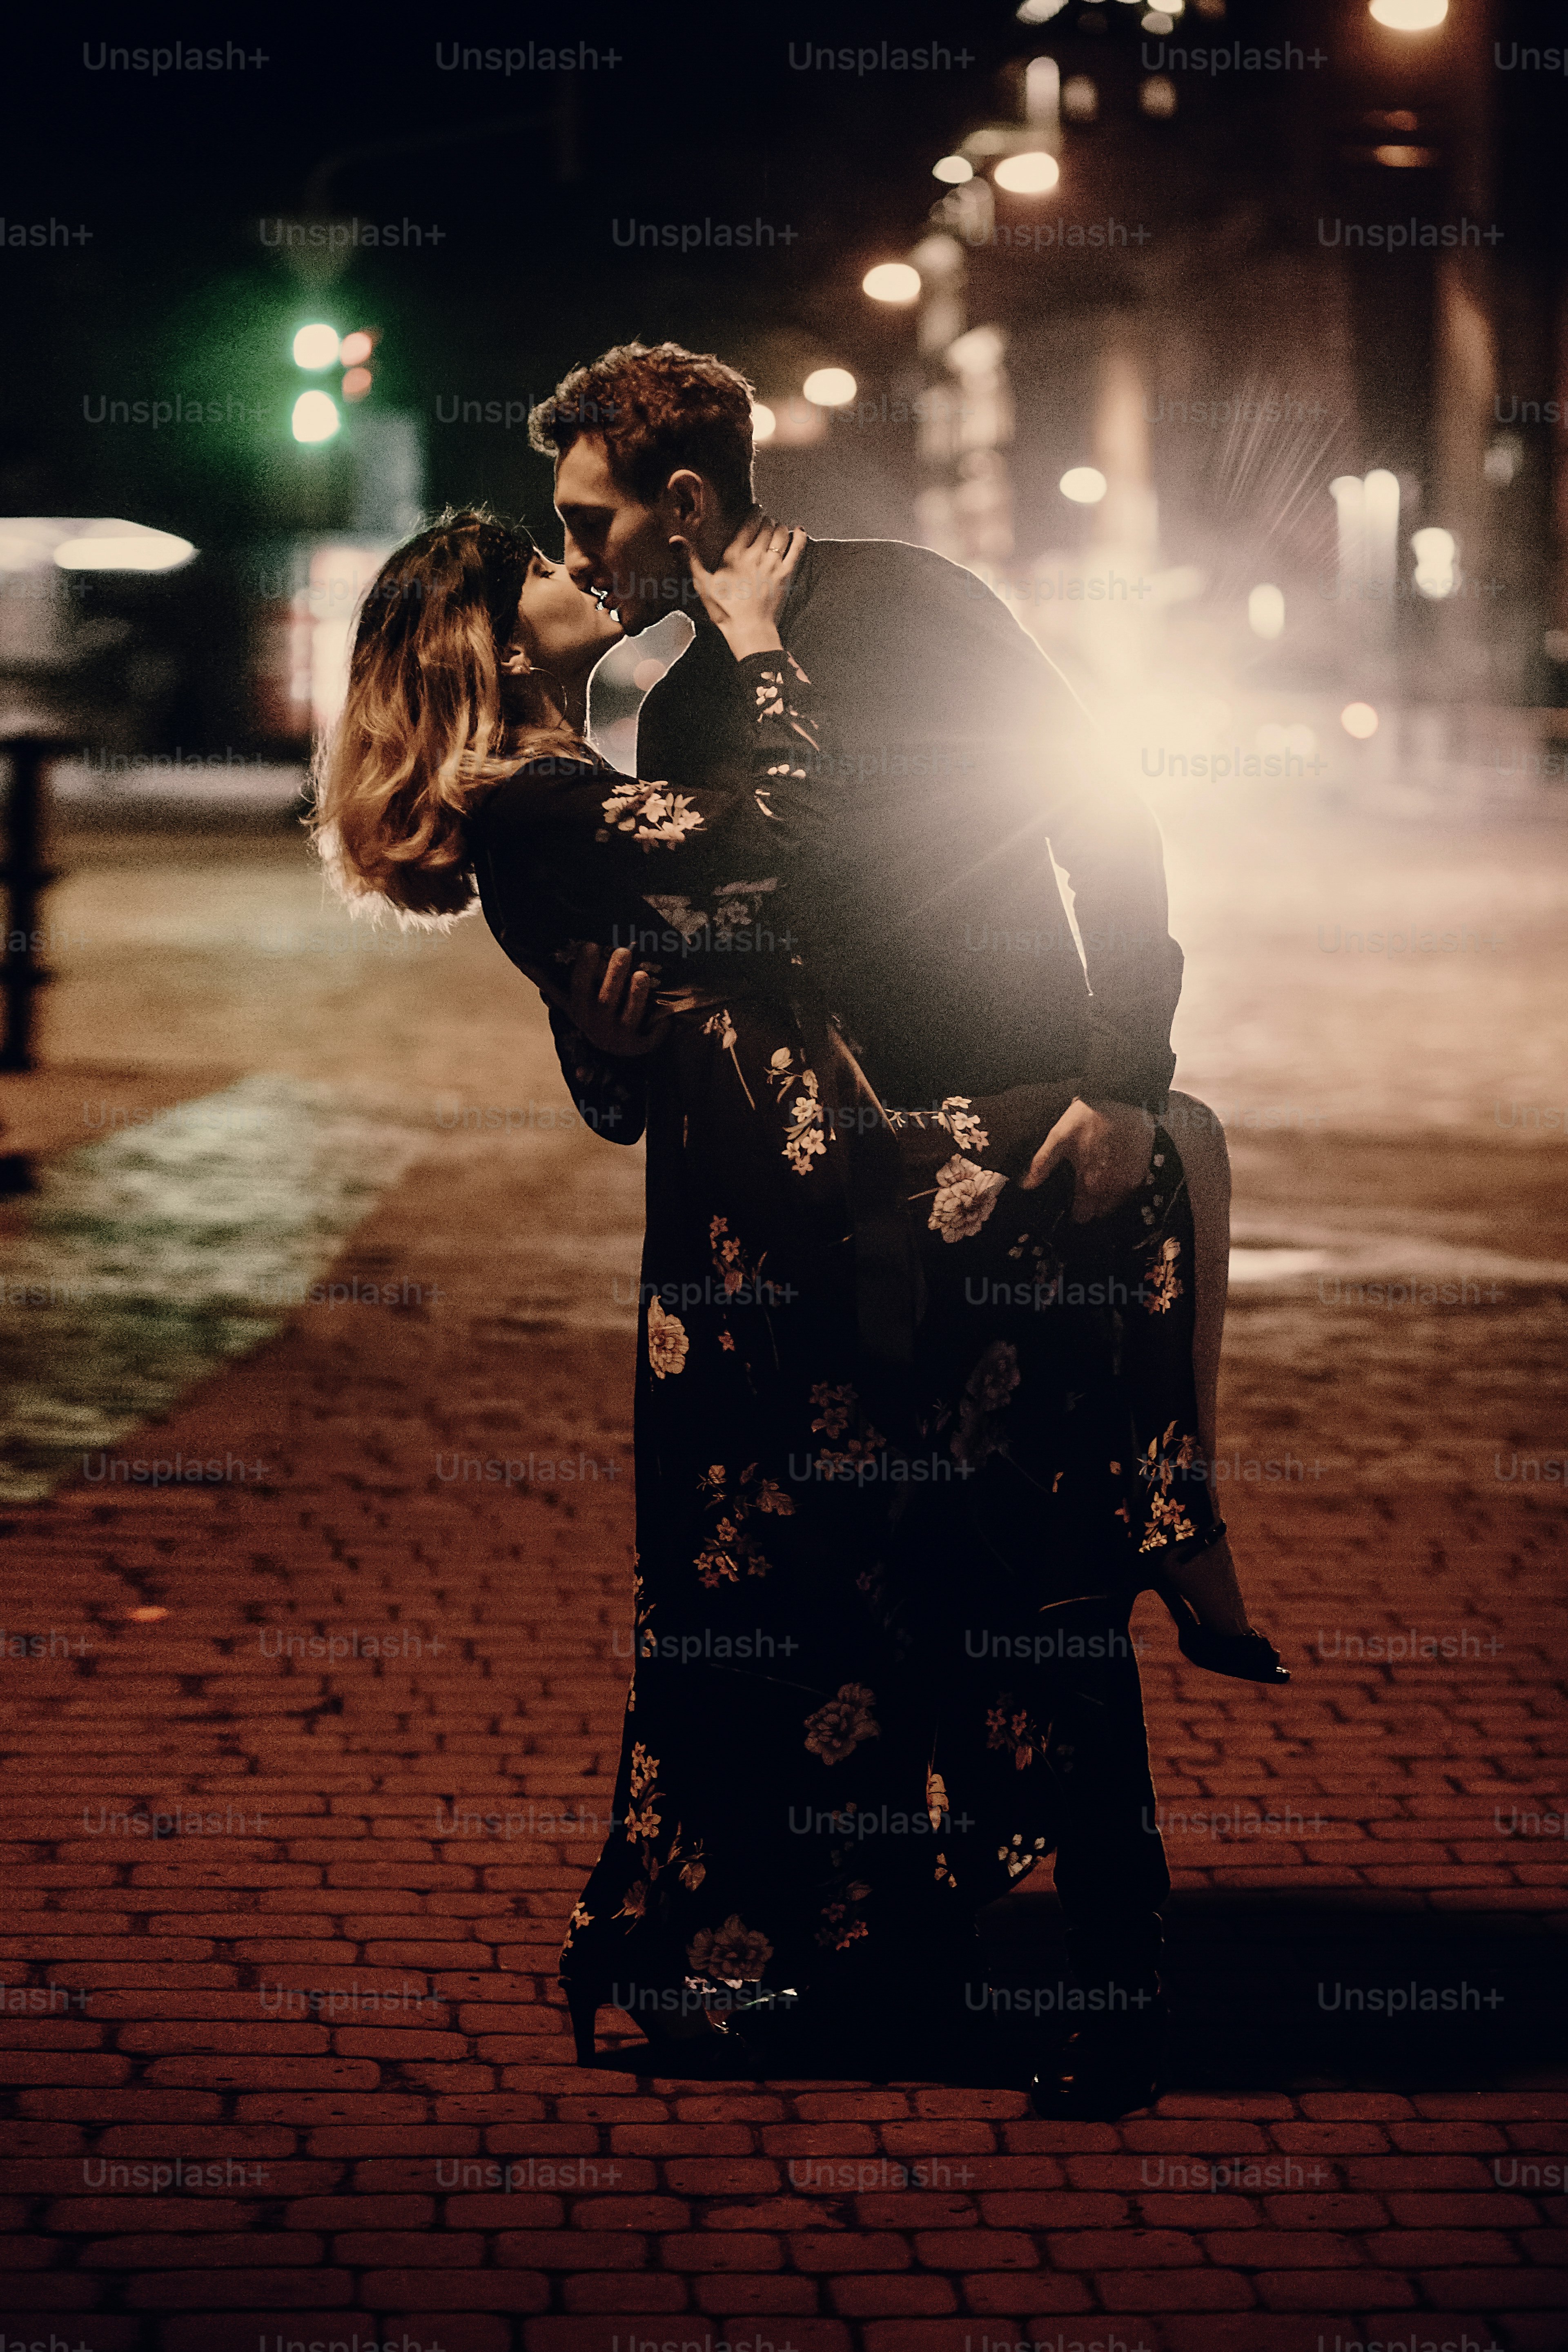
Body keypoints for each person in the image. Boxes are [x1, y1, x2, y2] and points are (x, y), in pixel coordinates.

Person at [526, 343, 1289, 2116]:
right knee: (848, 1596)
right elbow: (674, 976)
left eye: (591, 519)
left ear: (687, 502)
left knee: (1040, 1575)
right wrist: (613, 1047)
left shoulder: (916, 610)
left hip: (1011, 1150)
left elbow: (1104, 813)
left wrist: (1119, 1074)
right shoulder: (685, 706)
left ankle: (1111, 1980)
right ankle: (899, 1949)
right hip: (802, 1216)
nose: (576, 559)